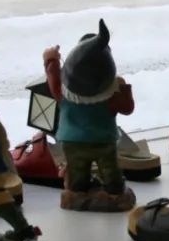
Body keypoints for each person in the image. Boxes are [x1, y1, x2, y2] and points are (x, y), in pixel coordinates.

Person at [44, 19, 136, 211]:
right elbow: (127, 108)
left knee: (77, 170)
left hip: (73, 141)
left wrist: (51, 60)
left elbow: (53, 80)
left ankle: (78, 191)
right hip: (104, 141)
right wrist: (123, 87)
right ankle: (114, 191)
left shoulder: (64, 94)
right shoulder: (111, 96)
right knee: (110, 170)